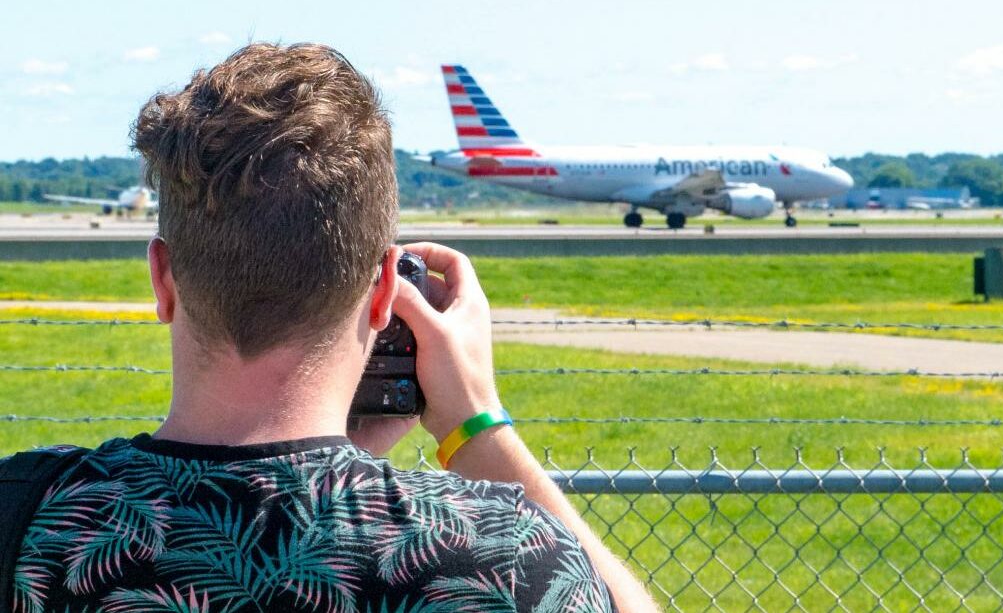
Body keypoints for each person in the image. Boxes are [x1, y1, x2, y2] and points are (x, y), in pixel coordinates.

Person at [4, 43, 659, 612]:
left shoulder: (28, 523)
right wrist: (477, 425)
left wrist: (322, 467)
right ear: (384, 294)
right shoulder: (499, 553)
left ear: (163, 280)